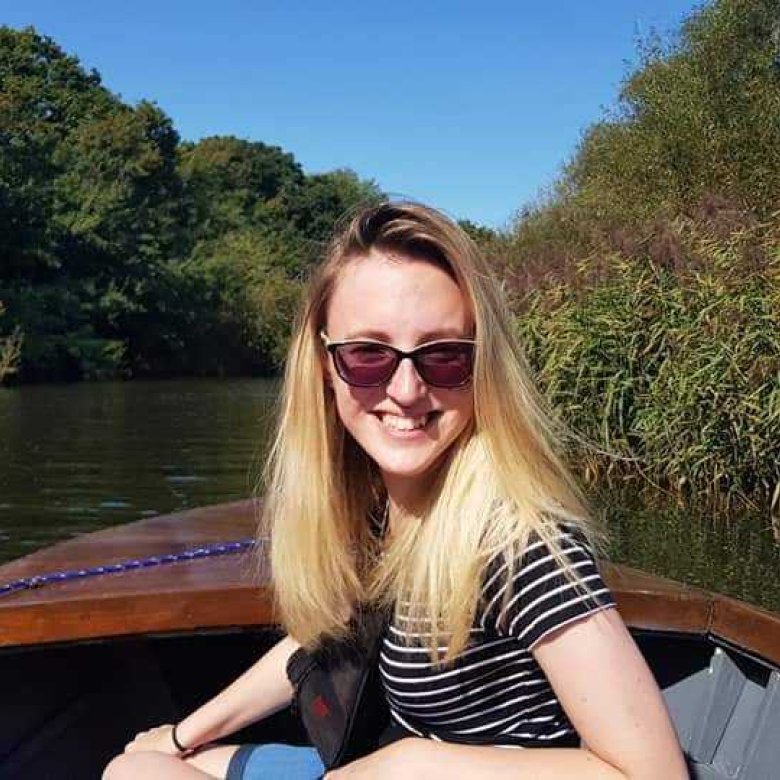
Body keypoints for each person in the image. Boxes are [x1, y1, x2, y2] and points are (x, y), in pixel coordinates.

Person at [104, 202, 688, 779]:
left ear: (484, 366)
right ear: (325, 364)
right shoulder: (391, 507)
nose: (406, 389)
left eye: (444, 357)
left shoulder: (518, 546)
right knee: (141, 766)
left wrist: (412, 762)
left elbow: (653, 774)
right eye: (368, 355)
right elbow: (323, 639)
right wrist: (184, 734)